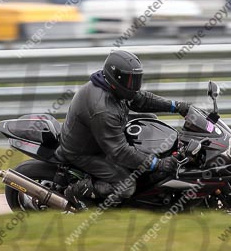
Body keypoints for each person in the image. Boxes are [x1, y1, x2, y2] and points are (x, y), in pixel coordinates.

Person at [57, 49, 190, 209]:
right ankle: (77, 190)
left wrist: (176, 107)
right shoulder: (103, 109)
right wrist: (158, 164)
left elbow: (141, 100)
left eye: (136, 80)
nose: (133, 85)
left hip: (101, 138)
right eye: (130, 80)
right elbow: (119, 151)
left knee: (151, 122)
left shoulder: (113, 87)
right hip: (84, 153)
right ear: (116, 77)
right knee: (126, 186)